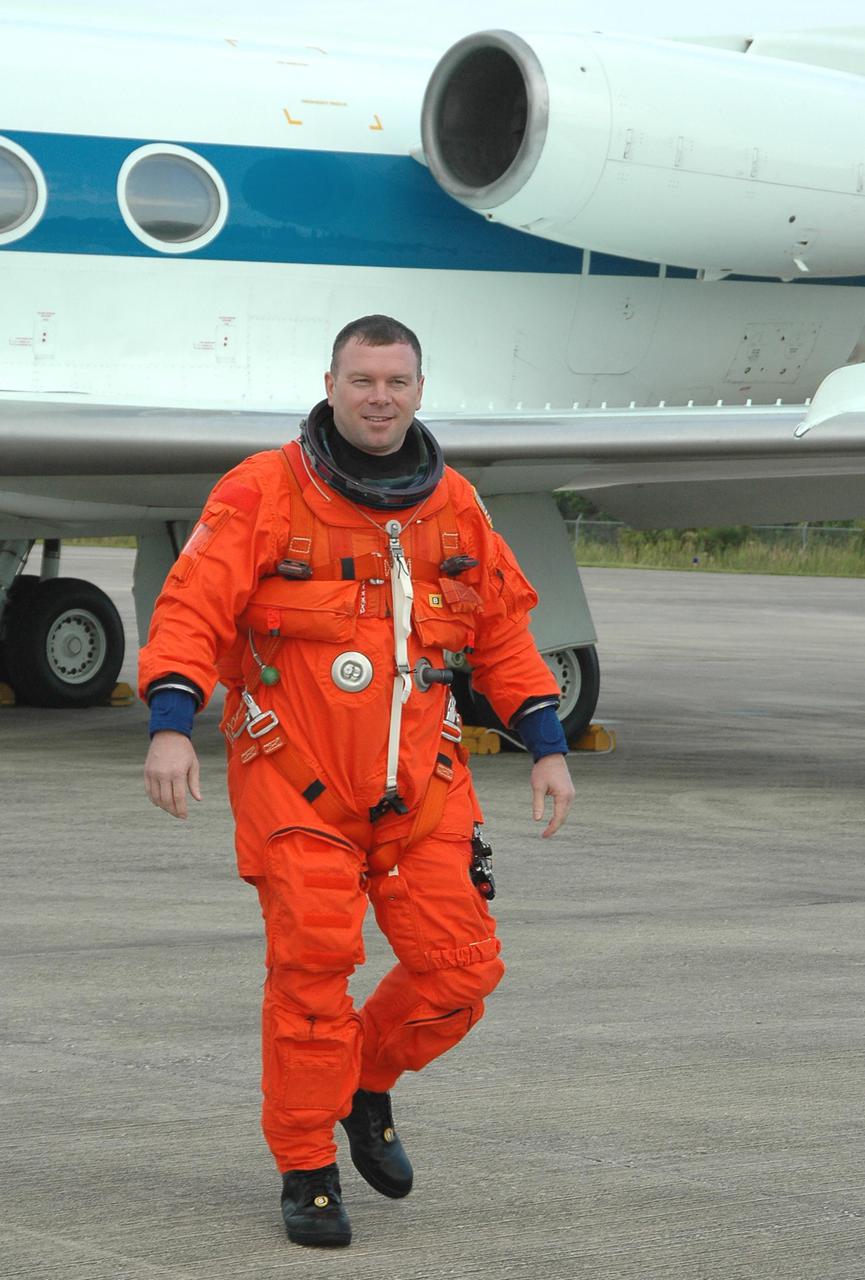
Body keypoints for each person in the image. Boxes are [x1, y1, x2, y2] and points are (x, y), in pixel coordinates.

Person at [140, 315, 575, 1249]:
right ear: (331, 384)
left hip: (421, 788)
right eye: (363, 379)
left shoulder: (452, 504)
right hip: (298, 787)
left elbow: (498, 632)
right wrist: (171, 726)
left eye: (398, 381)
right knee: (311, 979)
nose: (380, 397)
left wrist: (544, 740)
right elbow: (190, 612)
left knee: (462, 972)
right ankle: (307, 1168)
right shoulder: (261, 493)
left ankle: (360, 1084)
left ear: (419, 390)